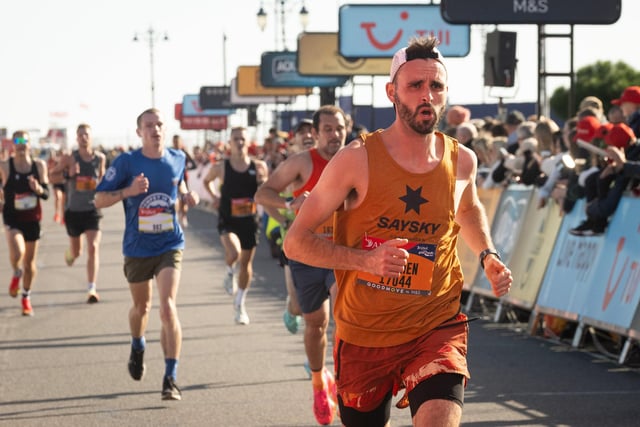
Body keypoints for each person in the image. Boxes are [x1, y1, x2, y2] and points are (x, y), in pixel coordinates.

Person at [284, 36, 513, 427]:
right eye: (415, 86)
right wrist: (365, 260)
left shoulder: (462, 161)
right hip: (364, 332)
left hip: (435, 323)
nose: (427, 95)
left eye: (436, 86)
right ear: (392, 92)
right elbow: (296, 242)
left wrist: (487, 254)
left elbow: (468, 208)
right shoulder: (355, 160)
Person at [94, 108, 199, 401]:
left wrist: (191, 196)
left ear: (165, 129)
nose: (155, 129)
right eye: (149, 125)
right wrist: (128, 191)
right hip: (137, 248)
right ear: (139, 132)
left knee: (167, 307)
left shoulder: (177, 158)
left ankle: (170, 378)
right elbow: (99, 199)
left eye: (159, 125)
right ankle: (138, 344)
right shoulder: (127, 162)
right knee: (141, 309)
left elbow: (182, 185)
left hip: (170, 243)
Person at [255, 104, 348, 426]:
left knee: (345, 320)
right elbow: (262, 194)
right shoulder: (301, 162)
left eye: (339, 128)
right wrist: (288, 204)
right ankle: (319, 382)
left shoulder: (357, 160)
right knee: (315, 323)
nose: (334, 135)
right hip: (307, 255)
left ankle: (346, 385)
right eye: (327, 129)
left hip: (342, 253)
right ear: (317, 132)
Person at [202, 126, 269, 325]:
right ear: (229, 143)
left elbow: (266, 188)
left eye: (242, 139)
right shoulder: (221, 167)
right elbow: (206, 181)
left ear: (248, 143)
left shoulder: (258, 166)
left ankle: (240, 304)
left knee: (247, 265)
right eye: (236, 139)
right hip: (228, 219)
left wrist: (263, 182)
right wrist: (214, 196)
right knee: (234, 253)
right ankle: (229, 271)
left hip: (249, 220)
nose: (239, 142)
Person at [49, 123, 106, 303]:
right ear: (76, 137)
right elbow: (51, 177)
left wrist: (101, 186)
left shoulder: (100, 158)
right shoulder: (69, 158)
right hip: (73, 210)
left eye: (86, 134)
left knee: (93, 247)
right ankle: (70, 254)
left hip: (92, 210)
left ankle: (92, 288)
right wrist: (68, 175)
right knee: (77, 252)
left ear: (91, 136)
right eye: (80, 135)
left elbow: (103, 180)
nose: (83, 137)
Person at [0, 130, 50, 316]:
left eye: (24, 140)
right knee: (18, 252)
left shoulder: (39, 166)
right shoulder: (5, 165)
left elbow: (46, 194)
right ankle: (16, 273)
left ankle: (26, 297)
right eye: (17, 141)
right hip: (12, 218)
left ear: (30, 144)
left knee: (29, 264)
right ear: (13, 144)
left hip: (32, 219)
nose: (21, 144)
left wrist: (38, 189)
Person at [171, 134, 196, 228]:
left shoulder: (184, 153)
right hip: (173, 179)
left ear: (181, 142)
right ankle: (175, 217)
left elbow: (194, 164)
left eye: (177, 141)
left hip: (183, 179)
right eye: (174, 141)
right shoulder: (170, 152)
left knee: (184, 199)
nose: (176, 143)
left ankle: (184, 216)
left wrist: (185, 168)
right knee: (175, 199)